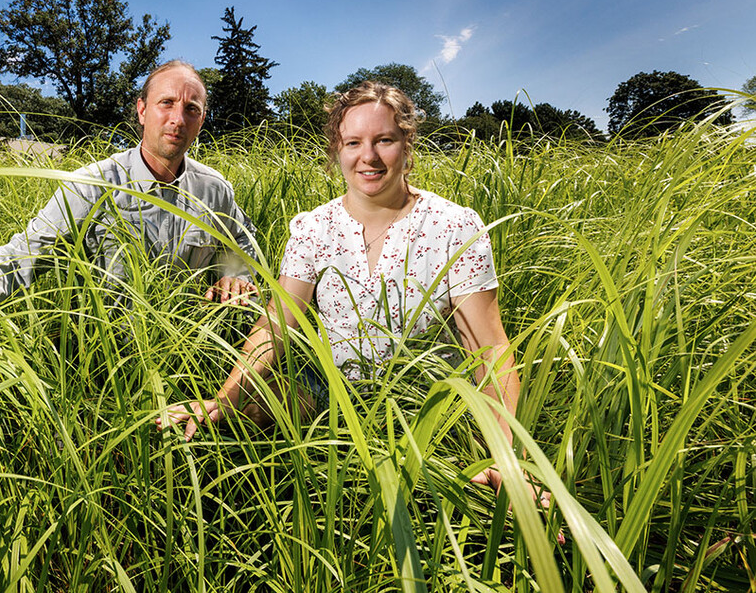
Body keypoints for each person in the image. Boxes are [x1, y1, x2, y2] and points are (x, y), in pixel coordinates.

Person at [157, 81, 537, 499]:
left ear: (407, 145)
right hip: (330, 392)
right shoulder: (314, 228)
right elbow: (277, 325)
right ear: (336, 150)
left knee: (463, 494)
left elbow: (489, 350)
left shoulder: (453, 227)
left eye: (385, 140)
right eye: (353, 142)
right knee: (234, 429)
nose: (368, 156)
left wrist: (509, 455)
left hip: (423, 405)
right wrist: (223, 400)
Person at [0, 60, 259, 419]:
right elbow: (21, 255)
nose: (177, 118)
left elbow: (242, 246)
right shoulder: (92, 184)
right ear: (142, 110)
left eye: (192, 108)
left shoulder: (214, 189)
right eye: (166, 103)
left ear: (201, 120)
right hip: (103, 378)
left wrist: (234, 274)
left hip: (194, 373)